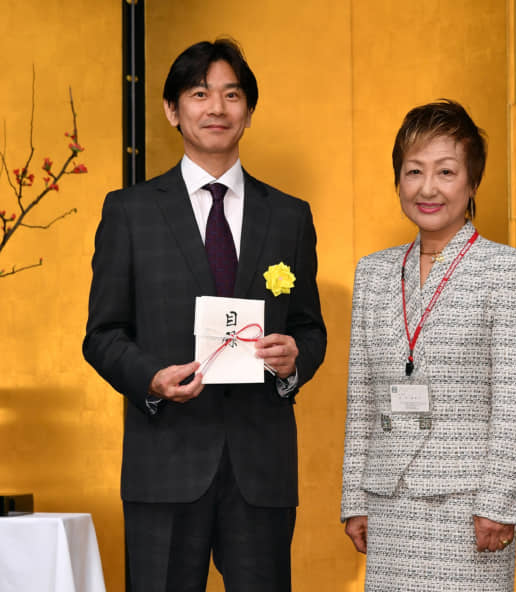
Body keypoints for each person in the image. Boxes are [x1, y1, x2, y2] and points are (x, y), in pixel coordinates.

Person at [83, 38, 326, 591]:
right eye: (199, 93)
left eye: (231, 94)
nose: (216, 108)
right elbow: (103, 334)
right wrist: (149, 377)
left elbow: (310, 328)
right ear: (173, 110)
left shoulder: (288, 216)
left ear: (247, 111)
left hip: (259, 468)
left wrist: (294, 360)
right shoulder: (130, 212)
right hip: (164, 461)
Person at [340, 99, 516, 591]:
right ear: (398, 181)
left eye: (446, 171)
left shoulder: (510, 270)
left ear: (472, 183)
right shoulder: (374, 272)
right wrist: (355, 497)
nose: (427, 188)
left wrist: (497, 501)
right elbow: (363, 394)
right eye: (413, 171)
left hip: (469, 508)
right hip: (388, 503)